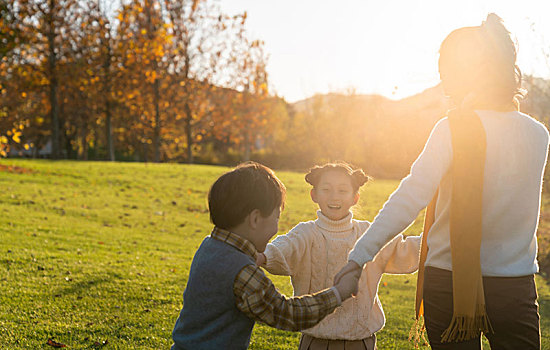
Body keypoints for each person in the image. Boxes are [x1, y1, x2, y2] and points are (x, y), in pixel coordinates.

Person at [335, 13, 549, 350]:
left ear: (470, 71)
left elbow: (410, 198)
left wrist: (357, 257)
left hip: (449, 283)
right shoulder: (538, 135)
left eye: (446, 68)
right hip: (515, 288)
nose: (442, 78)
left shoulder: (452, 129)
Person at [170, 161, 359, 350]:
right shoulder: (243, 272)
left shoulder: (209, 246)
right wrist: (339, 293)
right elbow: (287, 314)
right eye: (276, 217)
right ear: (255, 219)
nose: (276, 228)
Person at [256, 162, 421, 350]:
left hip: (361, 342)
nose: (334, 197)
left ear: (355, 198)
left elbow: (403, 249)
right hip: (315, 342)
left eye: (343, 191)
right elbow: (281, 249)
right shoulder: (305, 234)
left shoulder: (368, 233)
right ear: (314, 195)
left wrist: (437, 240)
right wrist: (261, 256)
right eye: (326, 189)